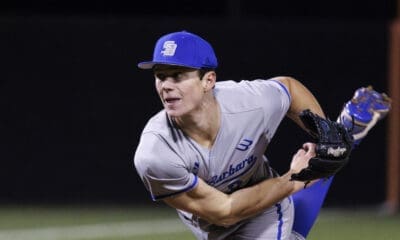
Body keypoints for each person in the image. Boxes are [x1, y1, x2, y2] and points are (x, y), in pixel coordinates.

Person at [133, 30, 390, 240]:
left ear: (208, 80)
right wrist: (296, 178)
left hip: (263, 200)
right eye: (160, 76)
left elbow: (288, 88)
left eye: (177, 75)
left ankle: (345, 133)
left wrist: (326, 134)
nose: (166, 86)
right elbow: (223, 212)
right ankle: (350, 130)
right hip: (212, 216)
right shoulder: (156, 153)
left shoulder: (249, 103)